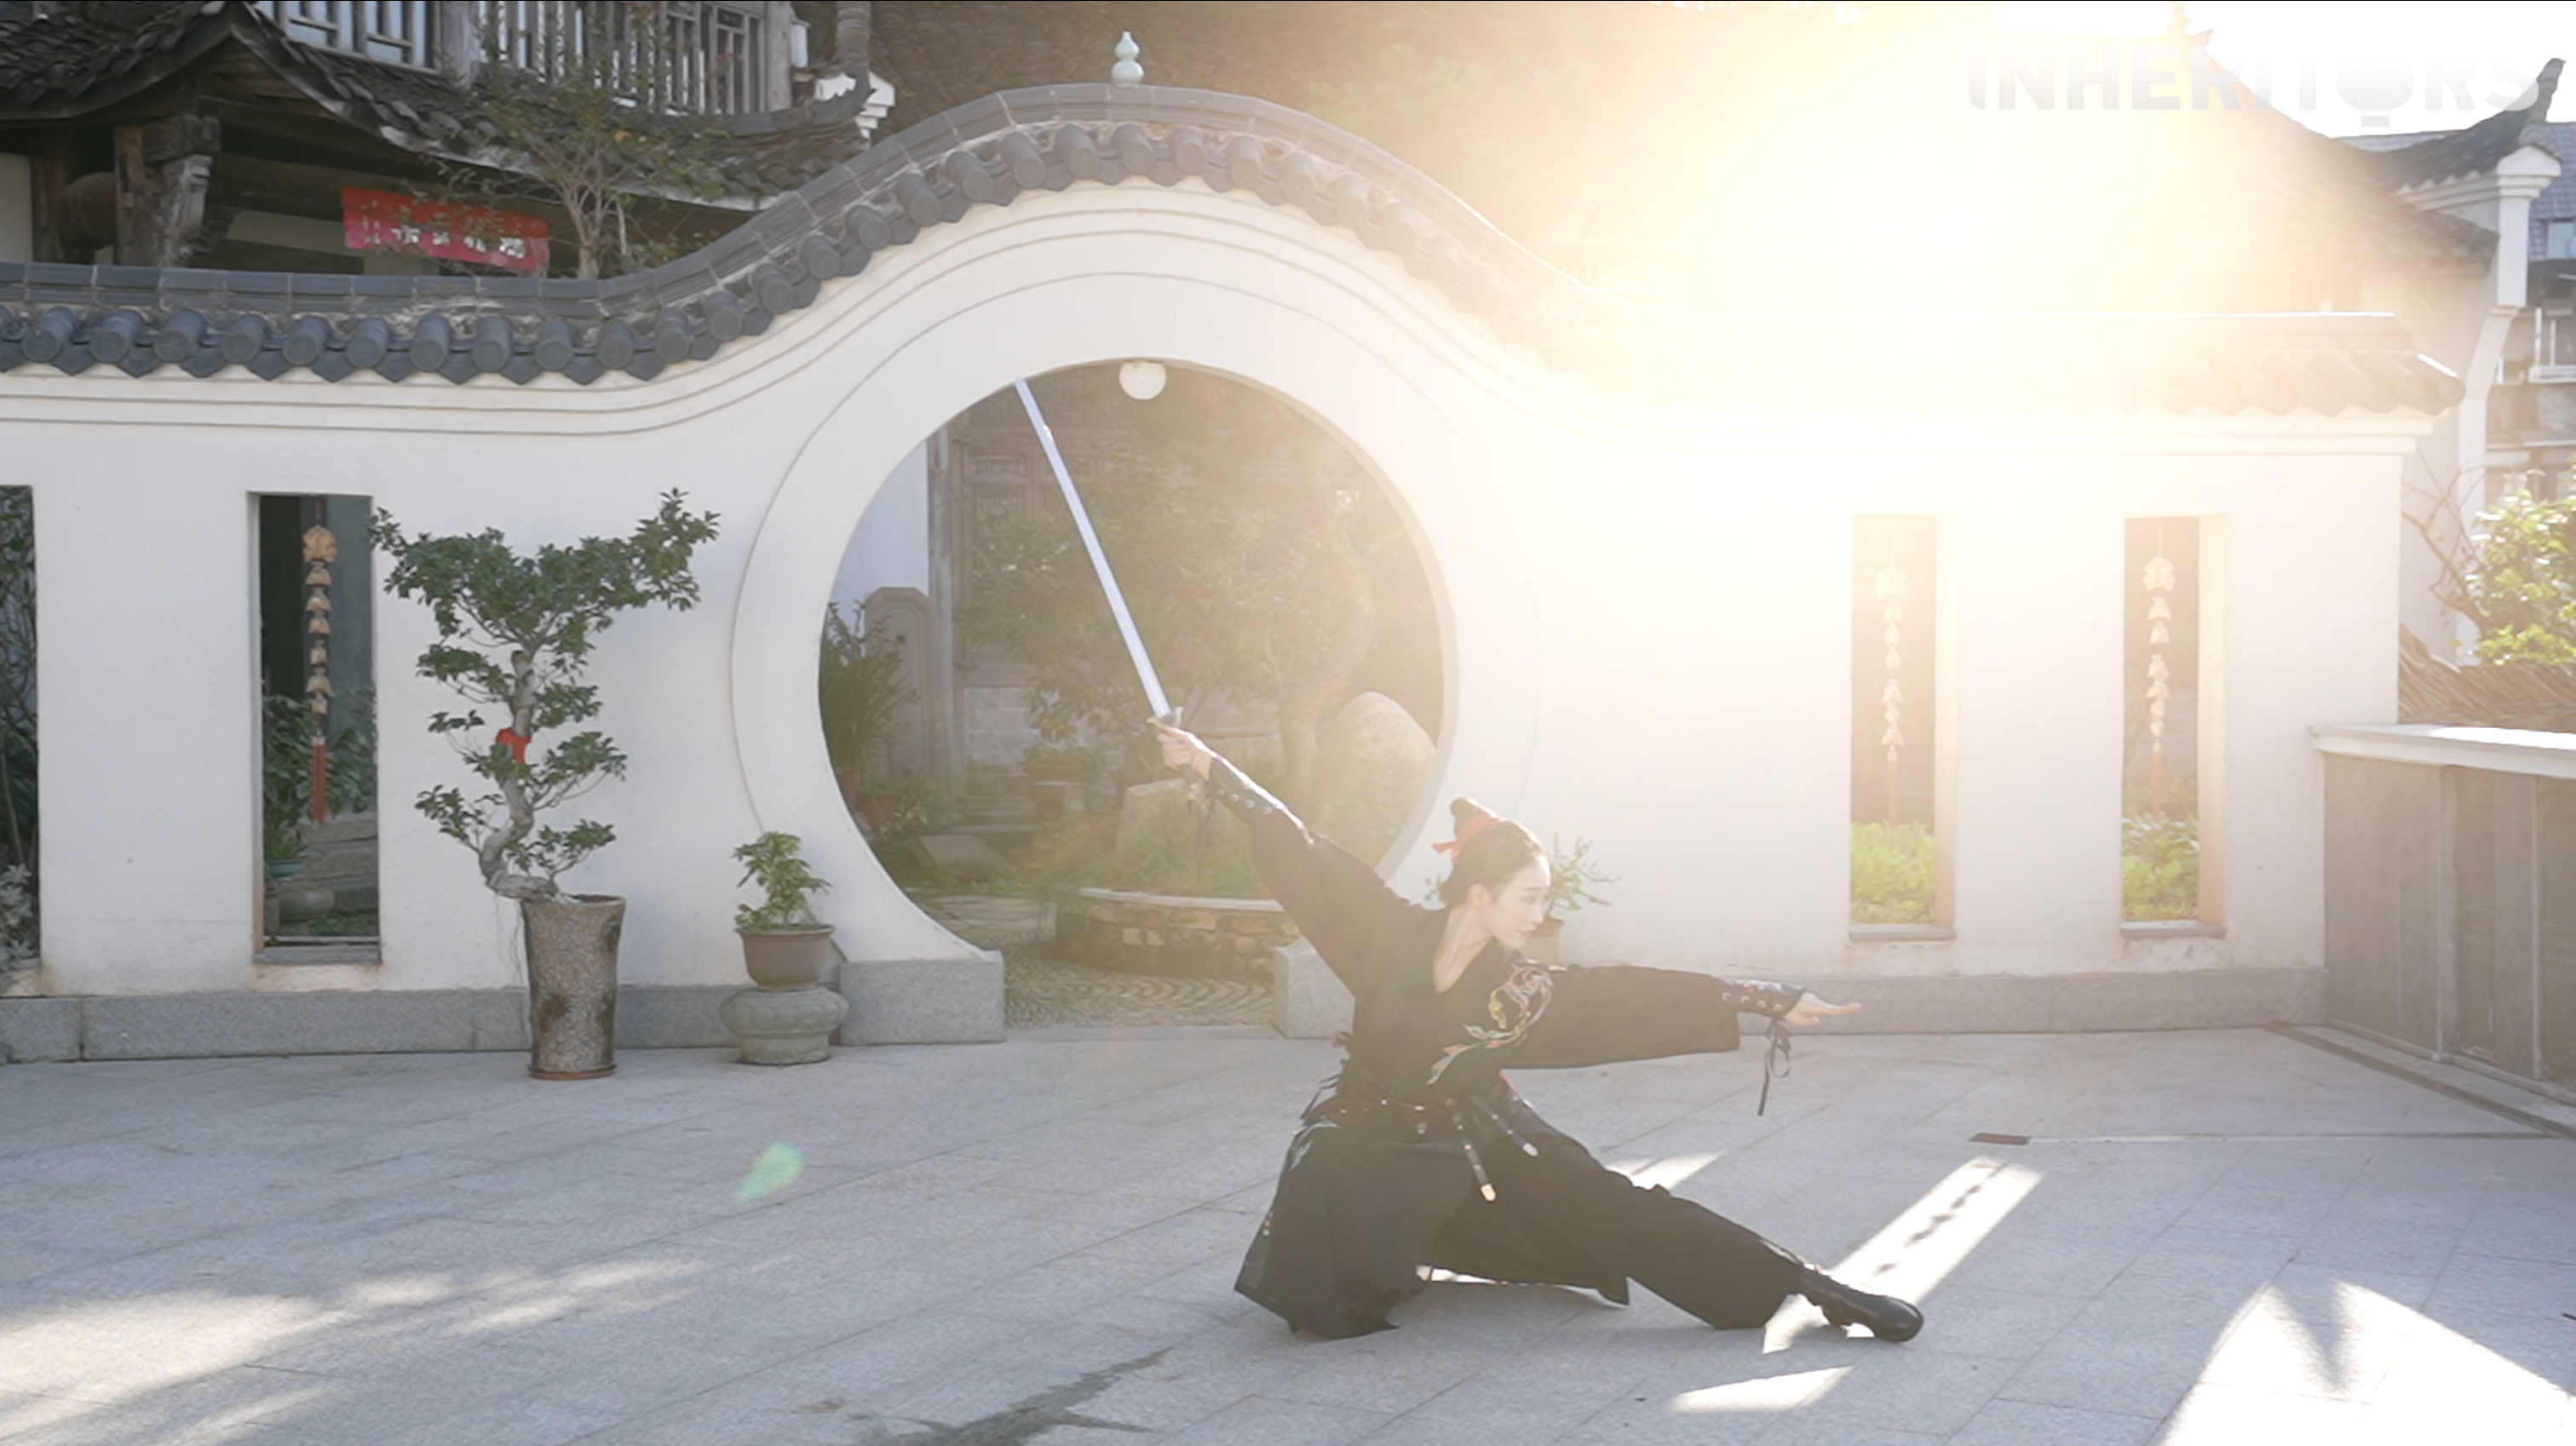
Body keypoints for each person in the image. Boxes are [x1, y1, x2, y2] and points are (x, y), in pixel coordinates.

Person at [1156, 724, 1924, 1344]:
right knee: (1323, 1244)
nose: (1538, 915)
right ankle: (1384, 1258)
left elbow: (1621, 994)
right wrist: (1210, 769)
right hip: (1369, 1133)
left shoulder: (1517, 991)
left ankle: (1804, 1282)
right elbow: (1301, 849)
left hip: (1481, 1126)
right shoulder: (1381, 935)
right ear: (1479, 894)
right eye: (1529, 897)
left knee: (1615, 1205)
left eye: (1544, 899)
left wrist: (1765, 998)